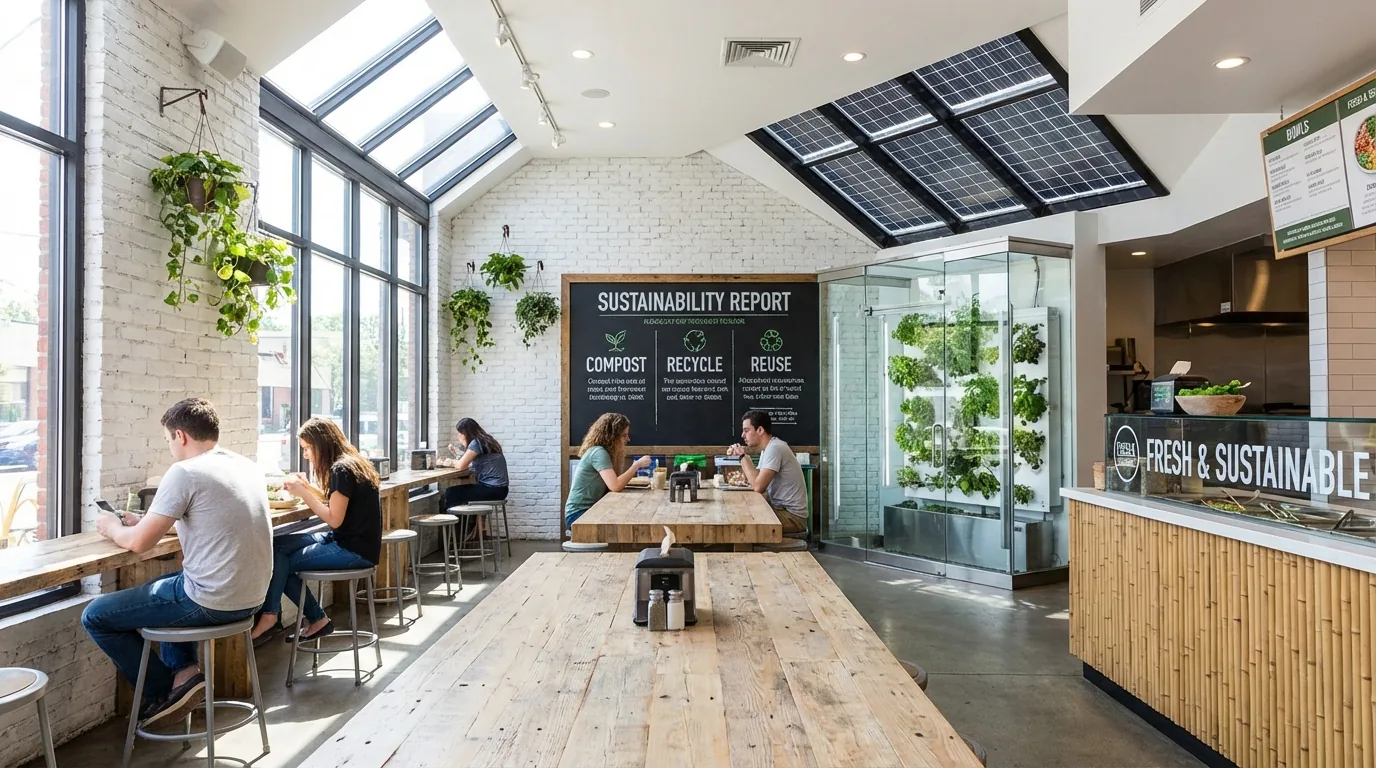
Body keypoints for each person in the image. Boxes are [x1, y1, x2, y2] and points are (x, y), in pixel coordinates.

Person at [82, 398, 272, 727]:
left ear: (180, 435)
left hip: (213, 601)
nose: (170, 448)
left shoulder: (185, 471)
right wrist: (147, 521)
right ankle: (186, 672)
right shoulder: (245, 466)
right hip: (254, 598)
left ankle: (168, 694)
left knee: (96, 615)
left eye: (168, 440)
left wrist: (111, 526)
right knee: (164, 588)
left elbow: (139, 544)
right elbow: (213, 519)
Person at [251, 418, 382, 641]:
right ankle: (289, 616)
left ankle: (277, 615)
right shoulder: (350, 463)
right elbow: (337, 502)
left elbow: (334, 519)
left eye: (307, 448)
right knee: (276, 547)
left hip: (353, 550)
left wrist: (303, 494)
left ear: (321, 444)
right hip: (348, 541)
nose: (305, 455)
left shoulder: (341, 469)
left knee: (280, 564)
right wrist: (307, 487)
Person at [727, 409, 809, 535]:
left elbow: (758, 486)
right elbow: (756, 479)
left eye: (746, 430)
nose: (742, 435)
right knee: (740, 513)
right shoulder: (767, 449)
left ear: (760, 430)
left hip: (792, 517)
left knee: (744, 520)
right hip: (781, 511)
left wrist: (743, 457)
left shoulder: (775, 448)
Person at [564, 413, 650, 527]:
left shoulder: (601, 452)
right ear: (612, 436)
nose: (628, 439)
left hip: (590, 509)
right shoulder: (598, 453)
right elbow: (615, 486)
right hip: (578, 515)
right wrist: (637, 465)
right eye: (624, 435)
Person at [441, 417, 509, 508]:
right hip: (502, 490)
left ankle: (455, 518)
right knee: (460, 492)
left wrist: (447, 462)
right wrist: (458, 454)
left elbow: (461, 465)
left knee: (451, 492)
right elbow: (469, 462)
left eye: (460, 433)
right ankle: (469, 517)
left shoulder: (476, 443)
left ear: (466, 433)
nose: (458, 436)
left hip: (492, 489)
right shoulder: (488, 440)